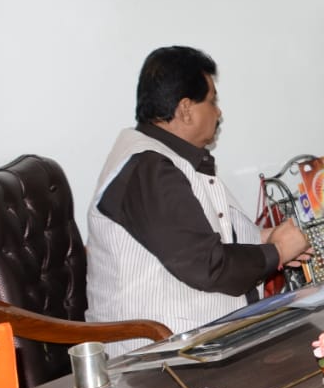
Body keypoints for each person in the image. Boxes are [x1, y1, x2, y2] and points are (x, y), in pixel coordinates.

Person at [86, 46, 310, 353]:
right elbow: (206, 265)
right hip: (154, 357)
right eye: (213, 100)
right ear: (186, 109)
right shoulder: (148, 170)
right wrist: (277, 251)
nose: (218, 112)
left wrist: (267, 239)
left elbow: (208, 232)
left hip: (195, 341)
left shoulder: (174, 160)